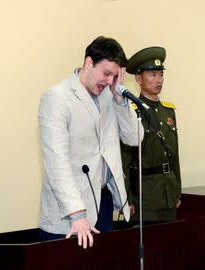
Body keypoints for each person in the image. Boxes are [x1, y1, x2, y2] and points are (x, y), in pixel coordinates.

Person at [38, 36, 141, 248]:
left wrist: (120, 100)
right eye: (106, 73)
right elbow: (57, 163)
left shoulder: (109, 95)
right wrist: (77, 214)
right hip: (68, 211)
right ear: (88, 62)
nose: (110, 81)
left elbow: (134, 137)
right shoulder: (57, 97)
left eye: (115, 76)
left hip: (102, 203)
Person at [121, 46, 181, 221]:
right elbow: (125, 160)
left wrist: (177, 190)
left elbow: (175, 155)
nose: (159, 79)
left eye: (161, 74)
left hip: (168, 191)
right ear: (139, 79)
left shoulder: (168, 111)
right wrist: (127, 199)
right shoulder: (131, 112)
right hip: (144, 195)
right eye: (153, 75)